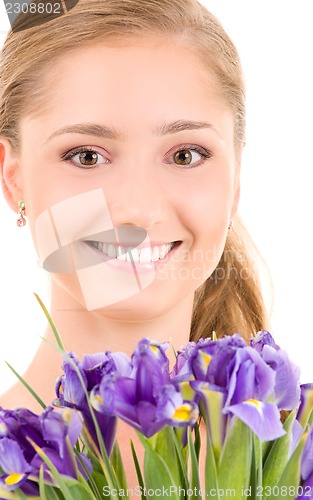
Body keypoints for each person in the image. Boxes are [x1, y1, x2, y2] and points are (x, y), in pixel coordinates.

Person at [0, 0, 267, 413]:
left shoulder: (292, 457)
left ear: (235, 178)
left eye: (185, 156)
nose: (139, 212)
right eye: (87, 156)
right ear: (12, 177)